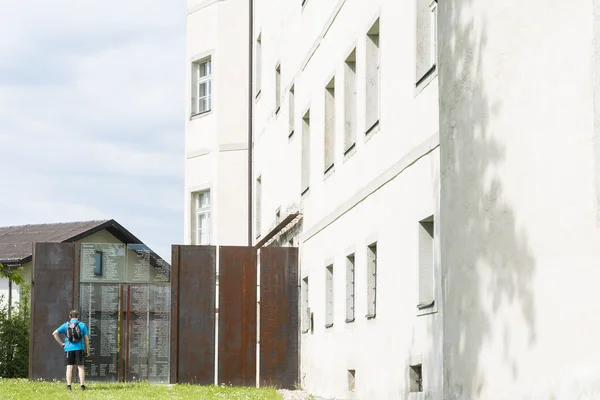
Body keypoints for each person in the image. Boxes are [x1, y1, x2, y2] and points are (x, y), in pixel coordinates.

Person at [52, 310, 90, 390]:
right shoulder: (82, 325)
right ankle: (82, 386)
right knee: (81, 367)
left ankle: (69, 386)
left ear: (70, 316)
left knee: (69, 367)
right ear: (78, 316)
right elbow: (86, 338)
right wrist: (87, 350)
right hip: (80, 348)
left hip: (68, 349)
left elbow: (54, 333)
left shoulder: (66, 325)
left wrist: (61, 344)